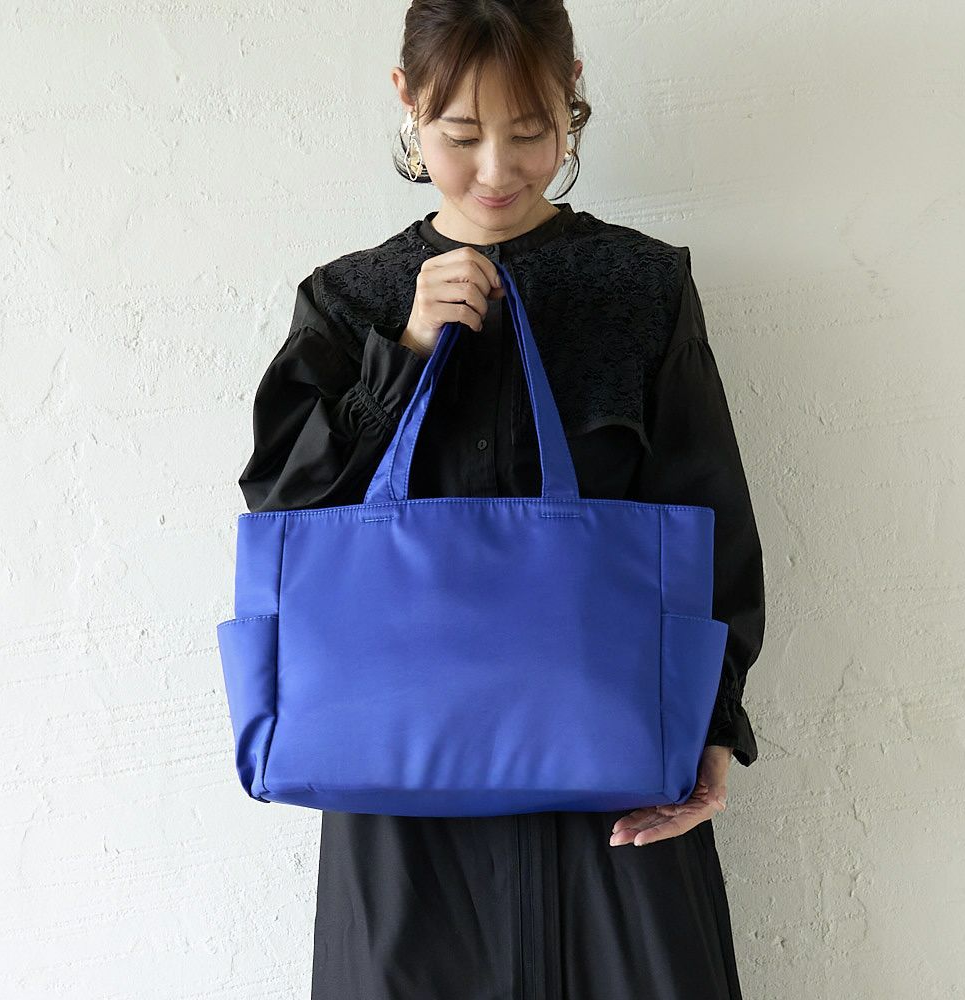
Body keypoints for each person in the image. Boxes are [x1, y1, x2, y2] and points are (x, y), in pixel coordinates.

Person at [236, 3, 764, 997]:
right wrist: (400, 358)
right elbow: (285, 510)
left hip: (616, 796)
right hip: (400, 809)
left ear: (571, 92)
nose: (496, 170)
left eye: (530, 130)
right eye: (461, 133)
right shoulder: (349, 302)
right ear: (407, 100)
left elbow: (709, 514)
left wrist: (714, 725)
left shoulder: (640, 288)